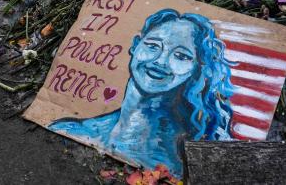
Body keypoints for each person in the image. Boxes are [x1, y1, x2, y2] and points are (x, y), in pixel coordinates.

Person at [49, 9, 234, 177]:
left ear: (197, 69)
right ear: (136, 45)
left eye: (181, 56)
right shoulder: (73, 129)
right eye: (153, 46)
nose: (161, 61)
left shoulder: (179, 162)